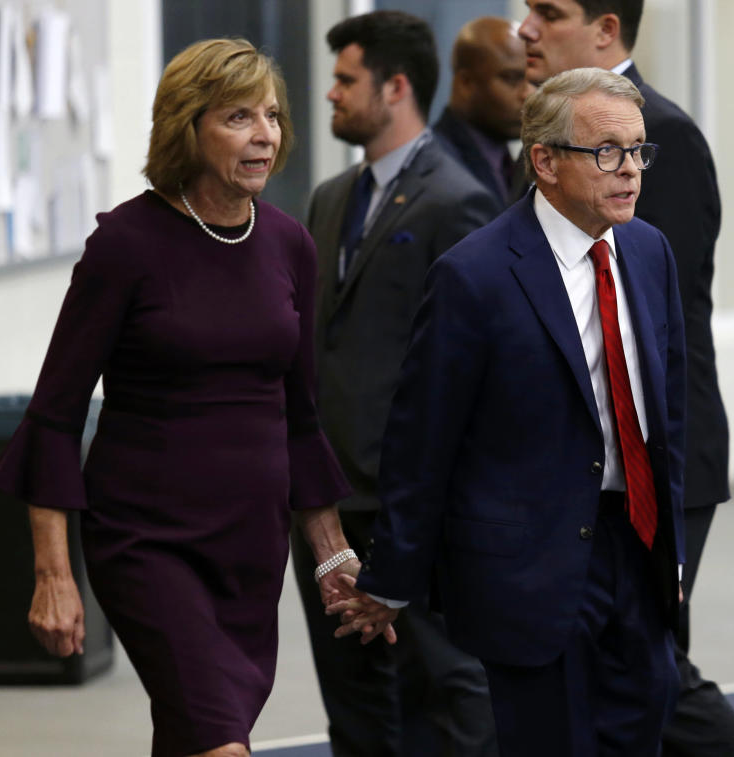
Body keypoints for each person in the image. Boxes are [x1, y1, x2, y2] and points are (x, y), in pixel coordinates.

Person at [0, 38, 357, 757]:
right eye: (238, 116)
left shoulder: (288, 246)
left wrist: (330, 553)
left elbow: (301, 416)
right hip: (147, 539)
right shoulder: (127, 245)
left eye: (273, 116)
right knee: (220, 738)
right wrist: (55, 575)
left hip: (249, 548)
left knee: (195, 734)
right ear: (187, 127)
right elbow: (55, 417)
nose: (265, 135)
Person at [330, 67, 686, 756]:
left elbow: (666, 410)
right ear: (546, 161)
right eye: (607, 151)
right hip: (532, 567)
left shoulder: (649, 251)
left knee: (644, 724)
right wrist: (393, 578)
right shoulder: (476, 274)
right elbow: (422, 440)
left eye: (638, 150)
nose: (630, 171)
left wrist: (667, 553)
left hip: (636, 550)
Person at [517, 2, 734, 753]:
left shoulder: (664, 136)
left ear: (605, 30)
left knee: (649, 669)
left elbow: (658, 325)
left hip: (652, 461)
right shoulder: (548, 135)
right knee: (605, 667)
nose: (525, 28)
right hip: (583, 465)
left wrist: (643, 465)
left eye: (547, 12)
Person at [289, 10, 501, 757]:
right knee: (353, 709)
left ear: (396, 87)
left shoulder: (459, 200)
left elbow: (472, 364)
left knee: (444, 691)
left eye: (346, 81)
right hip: (327, 508)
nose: (332, 96)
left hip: (410, 507)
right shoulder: (328, 198)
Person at [432, 16, 529, 211]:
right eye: (511, 79)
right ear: (466, 83)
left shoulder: (518, 164)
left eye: (532, 80)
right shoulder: (435, 166)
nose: (527, 94)